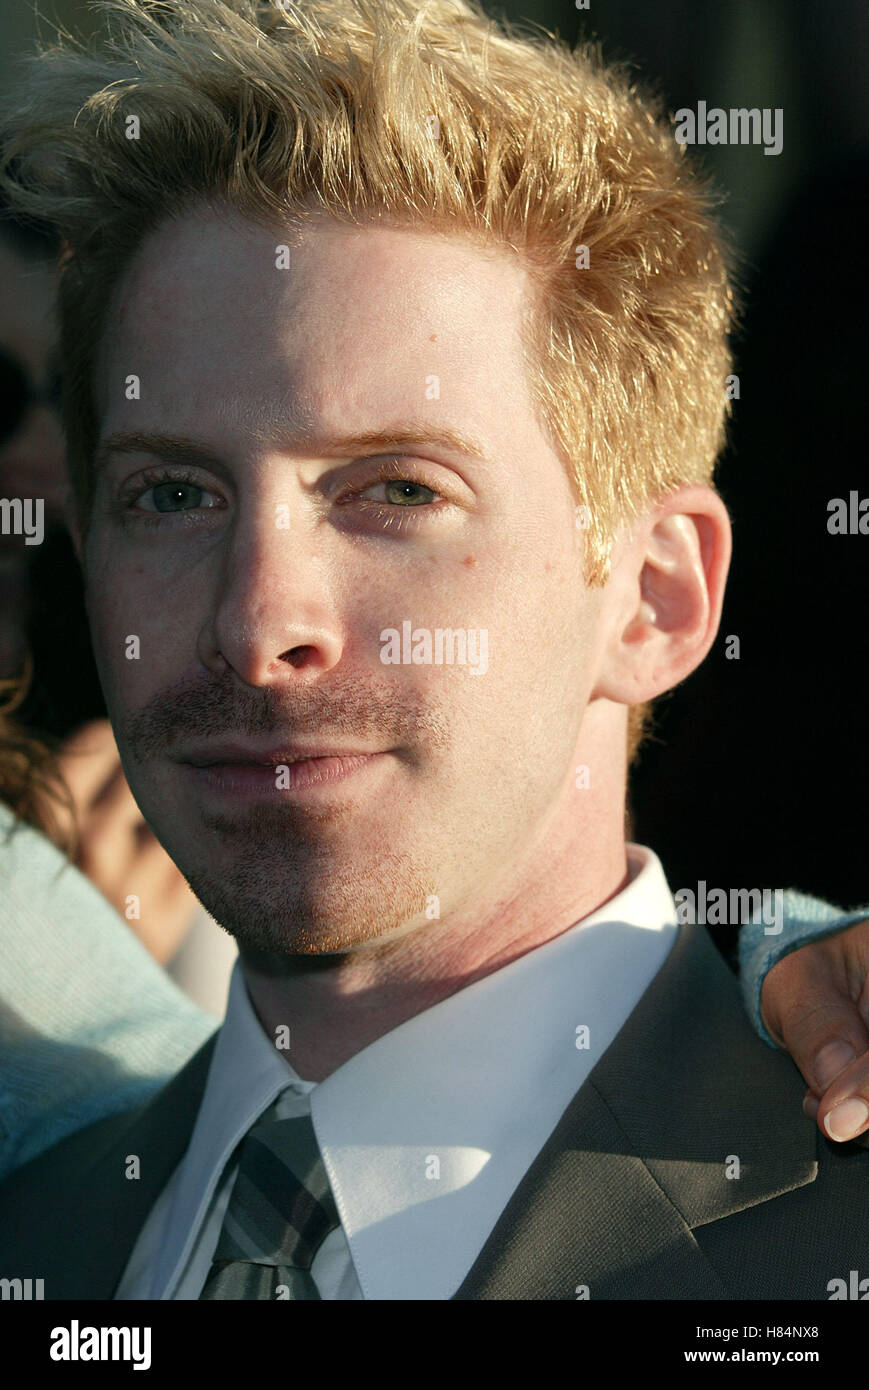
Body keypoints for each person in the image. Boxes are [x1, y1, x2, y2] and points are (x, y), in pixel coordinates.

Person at [0, 0, 867, 1300]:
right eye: (174, 494)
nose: (258, 619)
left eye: (395, 490)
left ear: (653, 595)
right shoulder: (40, 1229)